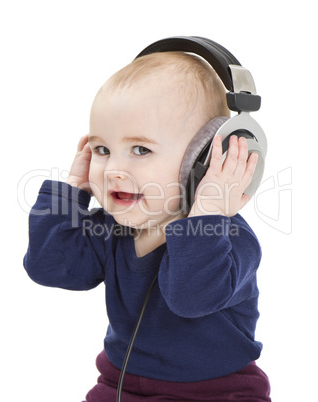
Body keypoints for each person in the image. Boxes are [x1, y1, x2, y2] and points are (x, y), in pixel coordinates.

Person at [24, 50, 271, 401]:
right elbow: (49, 267)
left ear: (200, 162)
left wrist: (208, 209)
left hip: (217, 391)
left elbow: (191, 297)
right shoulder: (110, 228)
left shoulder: (229, 237)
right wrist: (70, 195)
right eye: (103, 149)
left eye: (140, 150)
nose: (112, 170)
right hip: (119, 384)